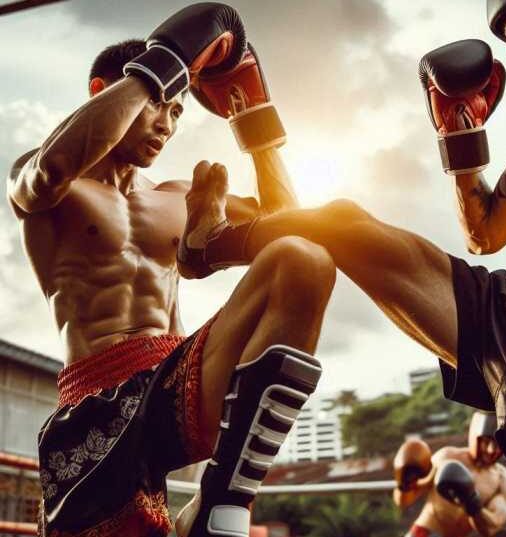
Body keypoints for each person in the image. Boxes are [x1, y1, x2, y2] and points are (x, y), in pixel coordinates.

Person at [177, 0, 506, 535]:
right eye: (504, 29)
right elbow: (484, 234)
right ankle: (212, 244)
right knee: (342, 221)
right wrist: (459, 136)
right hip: (504, 310)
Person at [6, 4, 336, 537]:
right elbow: (51, 169)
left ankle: (219, 500)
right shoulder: (49, 179)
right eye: (157, 102)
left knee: (302, 259)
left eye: (179, 111)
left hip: (177, 380)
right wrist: (167, 60)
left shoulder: (179, 196)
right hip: (95, 404)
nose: (167, 123)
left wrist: (253, 119)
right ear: (102, 91)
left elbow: (293, 226)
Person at [393, 412, 506, 537]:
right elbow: (403, 502)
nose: (492, 450)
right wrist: (404, 483)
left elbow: (490, 529)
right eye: (486, 441)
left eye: (499, 445)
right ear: (475, 437)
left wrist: (471, 502)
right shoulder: (446, 456)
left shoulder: (504, 482)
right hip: (424, 532)